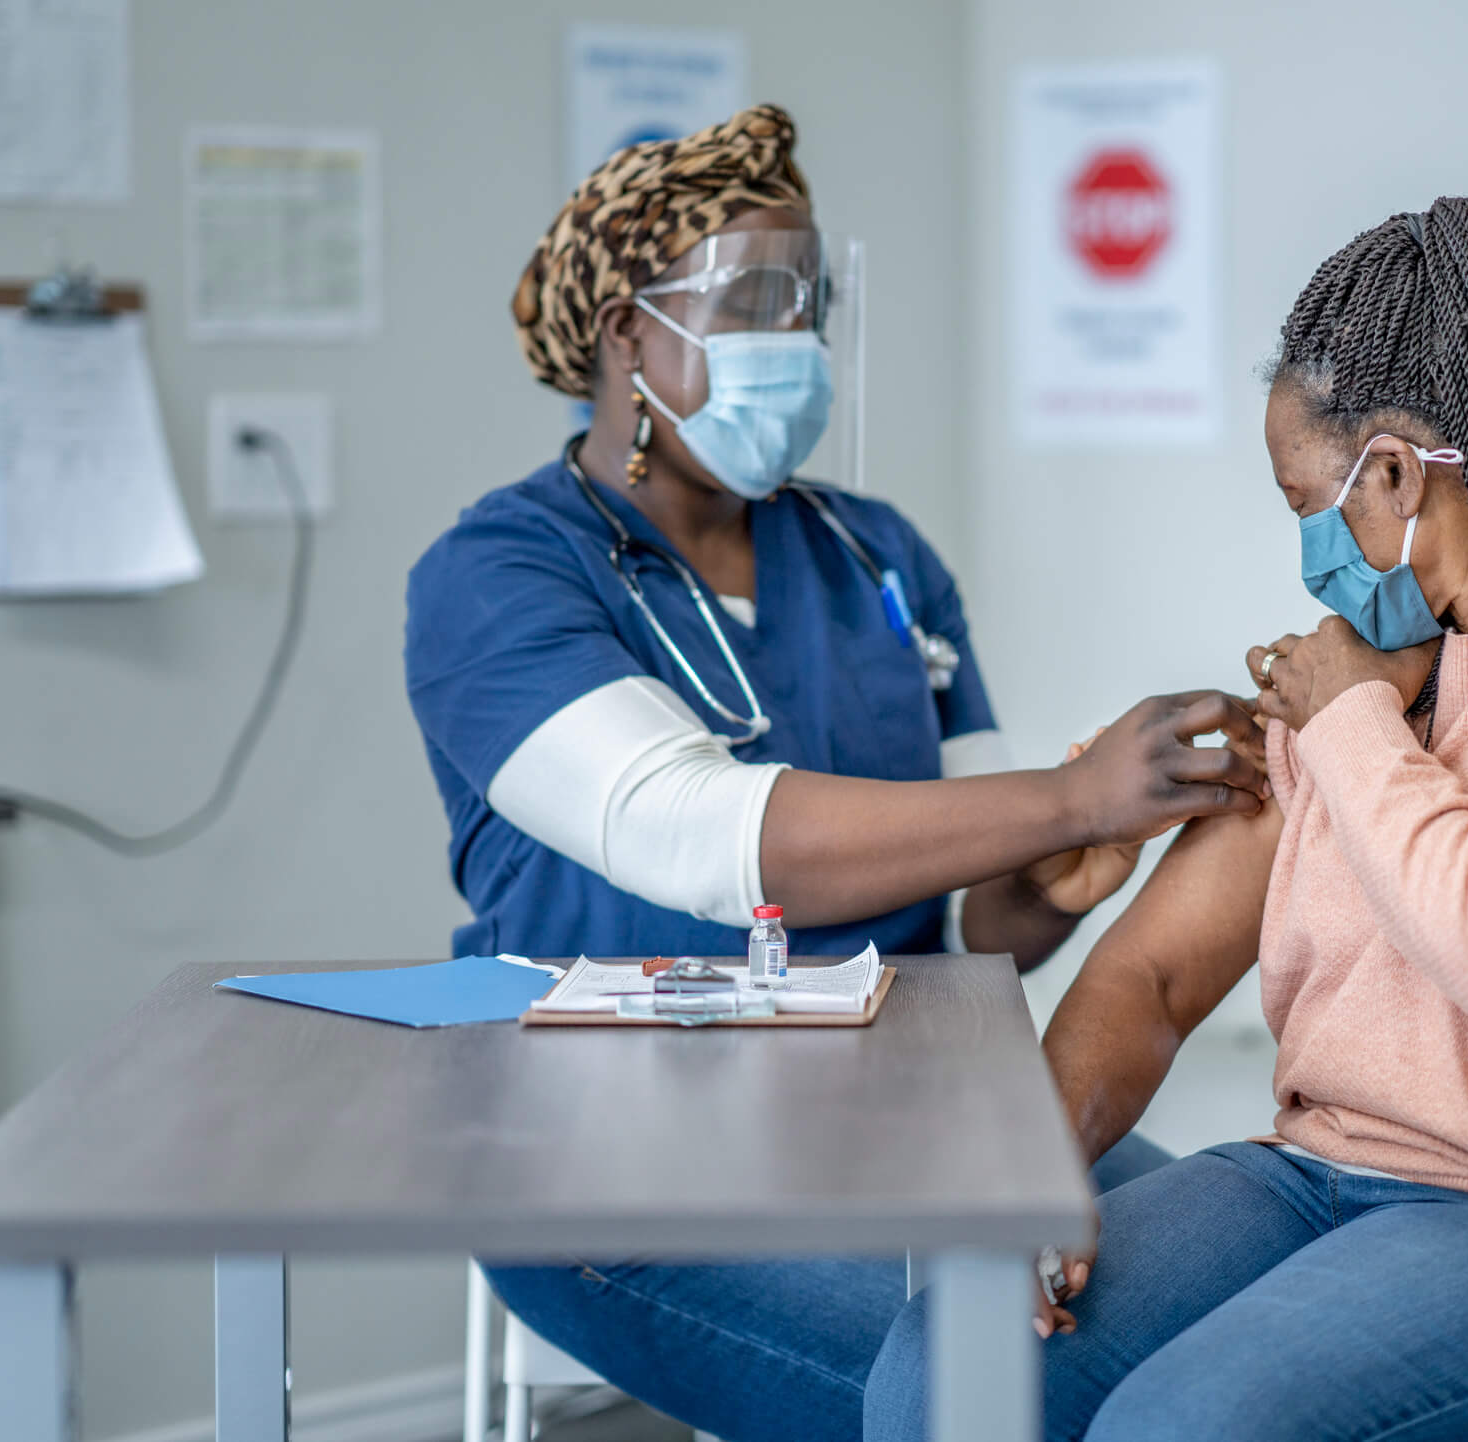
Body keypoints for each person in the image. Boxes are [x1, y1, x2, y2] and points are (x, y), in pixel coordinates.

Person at [863, 197, 1468, 1442]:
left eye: (1307, 508)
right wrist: (1028, 1184)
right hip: (1328, 1178)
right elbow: (1154, 975)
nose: (1311, 560)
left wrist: (1345, 722)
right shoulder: (1374, 676)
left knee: (1187, 1426)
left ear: (1391, 471)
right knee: (946, 1368)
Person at [403, 105, 1260, 1438]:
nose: (792, 343)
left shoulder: (875, 558)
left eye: (810, 301)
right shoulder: (495, 578)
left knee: (1243, 1342)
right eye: (751, 300)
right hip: (610, 1162)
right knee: (995, 1393)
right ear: (627, 334)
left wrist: (1057, 876)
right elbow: (692, 832)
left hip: (904, 1112)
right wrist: (1071, 795)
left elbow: (986, 923)